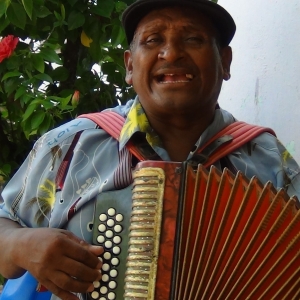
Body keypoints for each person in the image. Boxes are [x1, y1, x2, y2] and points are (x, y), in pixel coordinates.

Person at [0, 0, 300, 299]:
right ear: (130, 66)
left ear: (225, 62)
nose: (171, 53)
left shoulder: (270, 160)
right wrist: (20, 244)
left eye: (193, 39)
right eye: (153, 40)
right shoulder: (70, 145)